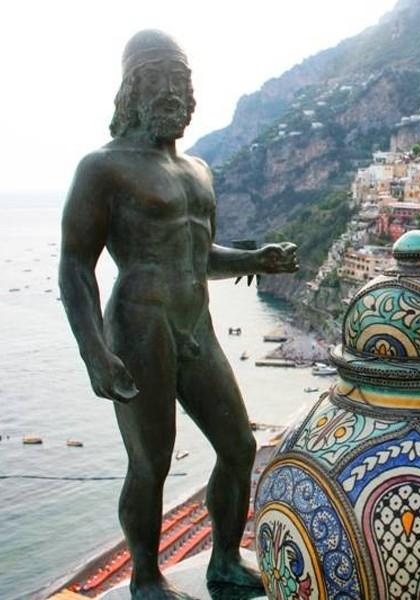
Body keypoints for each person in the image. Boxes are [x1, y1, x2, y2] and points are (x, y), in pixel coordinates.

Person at [59, 30, 297, 599]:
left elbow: (199, 254)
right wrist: (96, 352)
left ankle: (223, 562)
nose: (175, 94)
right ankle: (145, 576)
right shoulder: (103, 168)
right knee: (151, 462)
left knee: (239, 447)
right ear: (133, 90)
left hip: (197, 325)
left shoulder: (199, 170)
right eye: (160, 81)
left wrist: (256, 259)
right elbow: (74, 266)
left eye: (182, 82)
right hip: (140, 327)